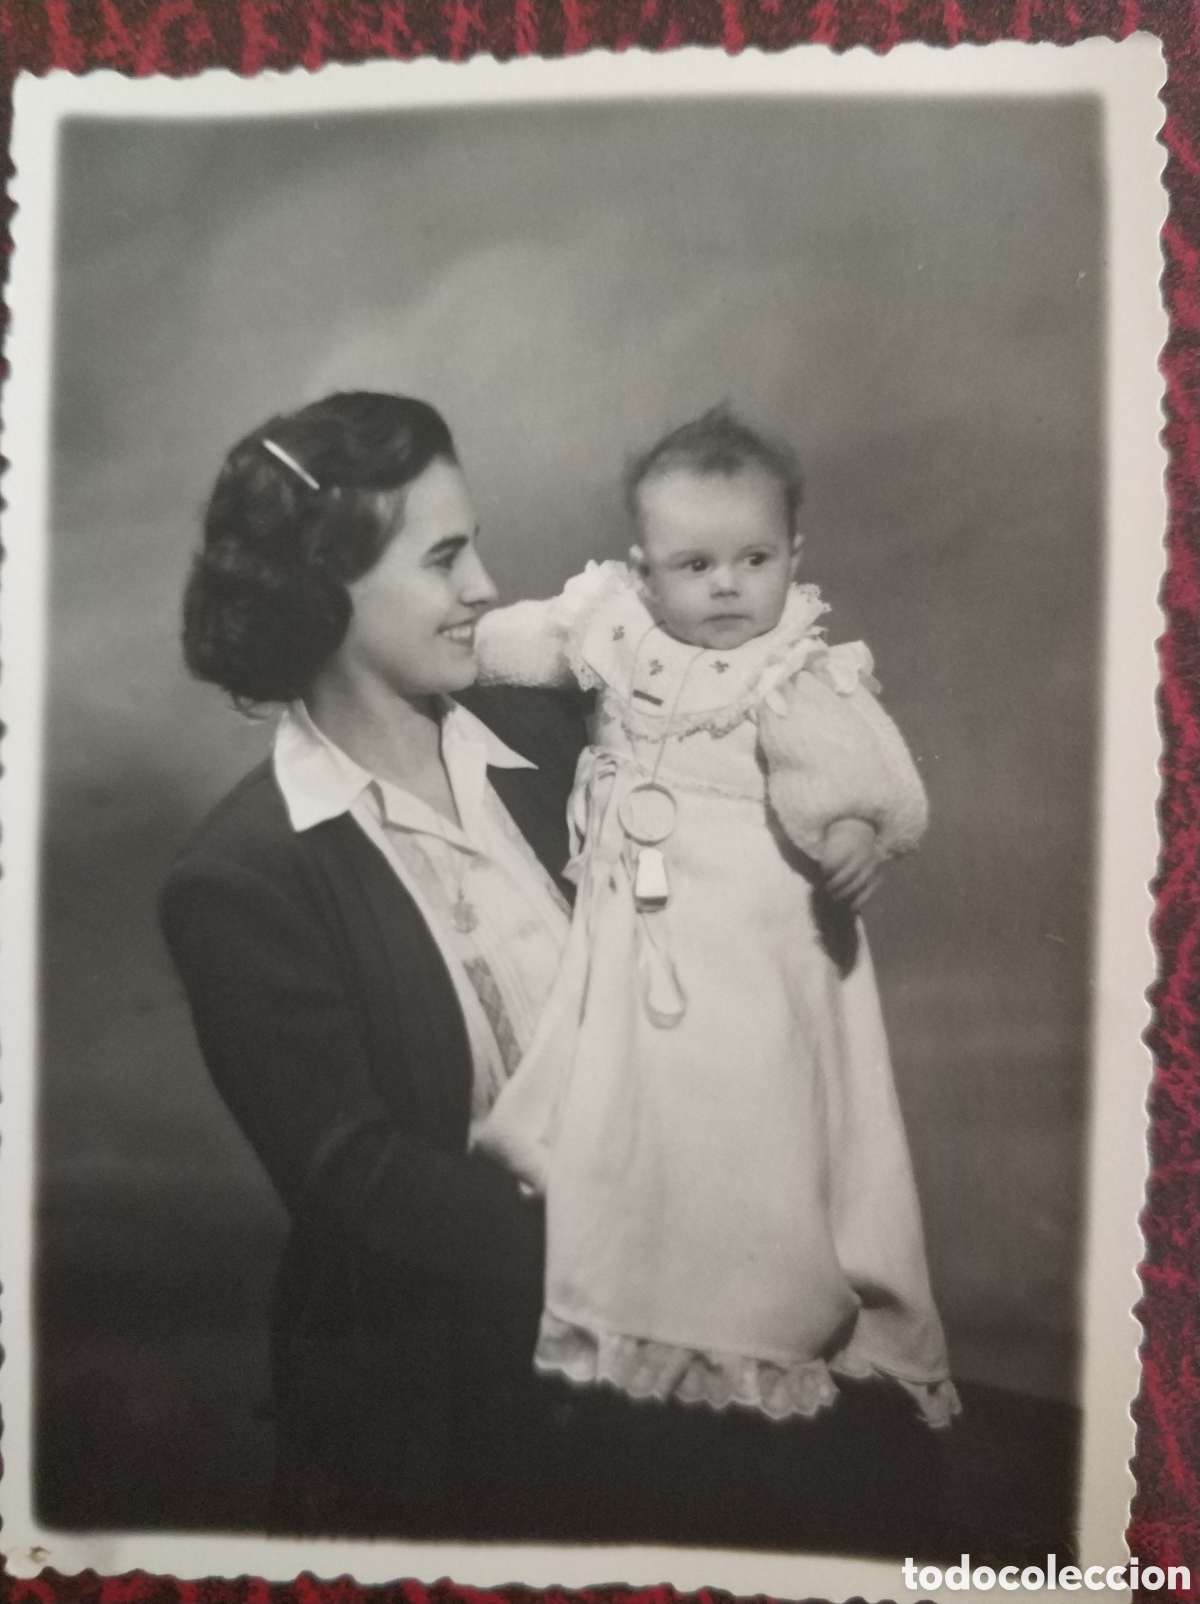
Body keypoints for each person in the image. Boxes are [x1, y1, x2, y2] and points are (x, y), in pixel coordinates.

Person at [473, 408, 959, 1450]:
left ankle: (756, 1324)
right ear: (644, 568)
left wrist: (855, 832)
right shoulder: (609, 627)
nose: (730, 586)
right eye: (696, 563)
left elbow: (861, 783)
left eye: (754, 558)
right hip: (639, 940)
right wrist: (449, 643)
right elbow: (503, 644)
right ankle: (632, 1312)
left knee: (754, 1136)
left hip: (752, 951)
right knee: (634, 1129)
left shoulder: (790, 673)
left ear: (794, 555)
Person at [159, 391, 590, 1539]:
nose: (486, 585)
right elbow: (362, 1184)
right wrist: (646, 1253)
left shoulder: (559, 740)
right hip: (451, 1421)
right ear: (322, 593)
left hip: (674, 1365)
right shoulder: (241, 879)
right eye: (444, 556)